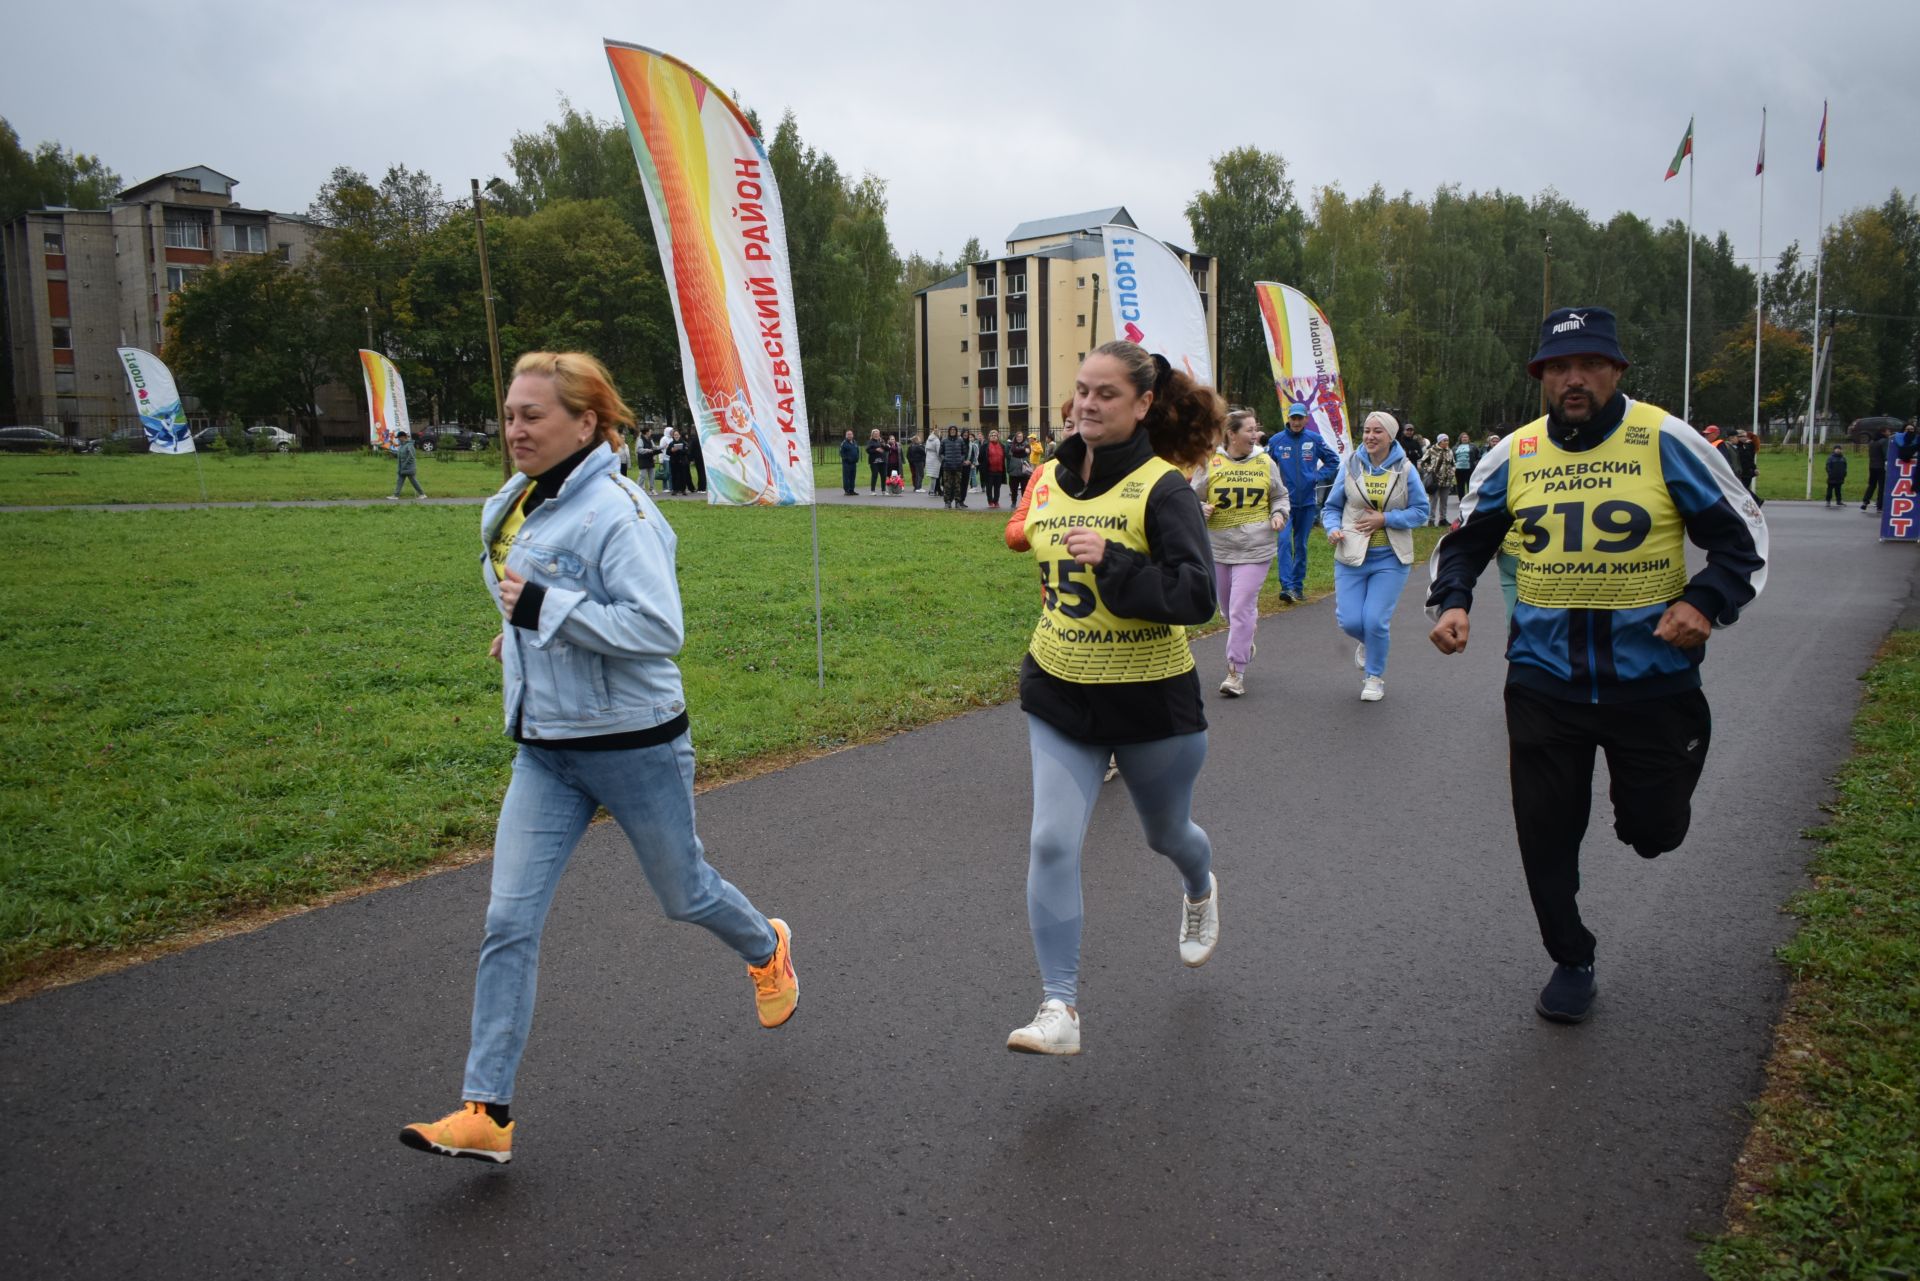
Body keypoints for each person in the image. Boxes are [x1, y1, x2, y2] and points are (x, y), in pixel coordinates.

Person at [400, 351, 797, 1165]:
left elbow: (659, 631)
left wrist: (547, 610)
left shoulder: (622, 513)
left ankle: (767, 946)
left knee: (684, 895)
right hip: (546, 751)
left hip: (633, 744)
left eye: (532, 415)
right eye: (509, 413)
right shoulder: (513, 502)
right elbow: (527, 602)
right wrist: (520, 636)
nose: (514, 428)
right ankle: (487, 1109)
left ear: (586, 423)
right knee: (507, 919)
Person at [1427, 306, 1768, 1025]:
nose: (1572, 379)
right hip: (1543, 682)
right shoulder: (1514, 454)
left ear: (1616, 370)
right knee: (1543, 829)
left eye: (1588, 365)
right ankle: (1571, 955)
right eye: (1558, 367)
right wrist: (1453, 600)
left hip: (1653, 682)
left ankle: (1645, 809)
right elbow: (1464, 539)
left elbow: (1743, 537)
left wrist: (1705, 600)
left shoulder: (1663, 439)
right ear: (1542, 377)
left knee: (1655, 830)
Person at [1003, 340, 1221, 1056]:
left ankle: (1198, 884)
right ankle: (1058, 1006)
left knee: (1166, 834)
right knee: (1051, 839)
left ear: (1143, 405)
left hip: (1151, 702)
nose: (1086, 405)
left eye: (1105, 394)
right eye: (1080, 391)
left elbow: (1196, 597)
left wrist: (1121, 564)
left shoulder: (1165, 489)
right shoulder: (1046, 477)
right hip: (1061, 689)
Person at [1323, 410, 1429, 702]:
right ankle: (1369, 644)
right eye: (1366, 430)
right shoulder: (1350, 465)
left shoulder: (1406, 469)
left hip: (1390, 559)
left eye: (1377, 431)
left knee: (1375, 621)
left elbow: (1421, 512)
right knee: (1350, 621)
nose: (1369, 436)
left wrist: (1386, 519)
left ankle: (1374, 677)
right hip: (1351, 554)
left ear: (1390, 435)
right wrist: (1332, 529)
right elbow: (1331, 507)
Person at [1192, 408, 1288, 697]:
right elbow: (1189, 497)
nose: (1255, 434)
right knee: (1228, 611)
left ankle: (1236, 672)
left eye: (1255, 429)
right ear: (1231, 434)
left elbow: (1279, 495)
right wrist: (1200, 508)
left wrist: (1279, 514)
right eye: (1248, 429)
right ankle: (1244, 638)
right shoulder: (1211, 462)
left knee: (1240, 608)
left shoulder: (1265, 462)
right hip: (1219, 547)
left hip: (1256, 547)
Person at [1266, 402, 1342, 604]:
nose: (1297, 422)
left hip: (1307, 503)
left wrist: (1316, 476)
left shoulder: (1314, 439)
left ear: (1306, 419)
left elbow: (1334, 461)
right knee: (1283, 543)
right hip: (1284, 504)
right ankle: (1287, 587)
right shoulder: (1276, 441)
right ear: (1288, 419)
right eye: (1294, 418)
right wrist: (1272, 487)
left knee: (1301, 545)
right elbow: (1264, 466)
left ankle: (1298, 587)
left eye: (1300, 418)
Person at [1422, 432, 1455, 526]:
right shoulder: (1431, 450)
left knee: (1444, 501)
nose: (1447, 442)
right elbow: (1423, 462)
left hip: (1447, 480)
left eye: (1447, 440)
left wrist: (1452, 471)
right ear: (1440, 441)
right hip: (1434, 480)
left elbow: (1453, 463)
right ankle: (1431, 520)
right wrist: (1430, 470)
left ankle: (1443, 519)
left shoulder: (1450, 451)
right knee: (1434, 500)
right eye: (1444, 440)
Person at [389, 429, 425, 499]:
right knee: (399, 481)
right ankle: (396, 495)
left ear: (403, 437)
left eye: (399, 438)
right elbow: (400, 454)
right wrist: (392, 451)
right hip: (402, 468)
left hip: (408, 468)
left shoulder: (409, 445)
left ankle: (422, 494)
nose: (398, 439)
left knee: (413, 481)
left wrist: (405, 465)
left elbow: (412, 456)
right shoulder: (402, 446)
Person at [939, 425, 969, 508]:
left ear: (956, 431)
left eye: (954, 430)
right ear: (949, 431)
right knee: (947, 486)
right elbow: (940, 453)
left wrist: (961, 459)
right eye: (951, 430)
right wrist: (944, 459)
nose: (952, 431)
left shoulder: (960, 441)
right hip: (947, 467)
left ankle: (957, 502)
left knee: (957, 486)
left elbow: (964, 453)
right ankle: (947, 502)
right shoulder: (944, 441)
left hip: (958, 467)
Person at [1861, 427, 1890, 511]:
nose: (1889, 433)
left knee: (1872, 485)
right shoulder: (1884, 441)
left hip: (1872, 466)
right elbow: (1886, 454)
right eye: (1888, 431)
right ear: (1883, 432)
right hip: (1881, 466)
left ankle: (1865, 501)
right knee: (1882, 486)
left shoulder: (1872, 442)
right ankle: (1880, 505)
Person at [980, 428, 1008, 508]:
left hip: (999, 471)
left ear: (998, 436)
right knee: (989, 488)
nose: (993, 436)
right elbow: (980, 458)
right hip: (989, 471)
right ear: (989, 437)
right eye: (991, 435)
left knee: (997, 488)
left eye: (995, 435)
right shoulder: (984, 446)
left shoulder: (1002, 446)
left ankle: (996, 501)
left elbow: (1005, 457)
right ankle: (990, 501)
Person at [1007, 430, 1032, 508]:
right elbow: (1014, 450)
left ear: (1023, 437)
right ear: (1016, 437)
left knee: (1024, 488)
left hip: (1024, 470)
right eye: (1018, 436)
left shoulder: (1027, 444)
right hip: (1014, 470)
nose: (1019, 438)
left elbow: (1028, 452)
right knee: (1014, 488)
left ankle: (1024, 503)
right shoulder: (1013, 444)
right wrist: (1023, 450)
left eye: (1020, 436)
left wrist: (1022, 452)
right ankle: (1013, 502)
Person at [665, 426, 692, 496]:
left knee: (683, 476)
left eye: (677, 435)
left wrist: (679, 450)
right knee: (674, 476)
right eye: (675, 435)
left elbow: (687, 452)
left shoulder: (684, 443)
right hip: (674, 462)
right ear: (673, 436)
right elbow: (667, 452)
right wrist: (672, 450)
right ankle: (675, 490)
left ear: (679, 435)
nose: (676, 436)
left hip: (682, 462)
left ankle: (683, 490)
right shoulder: (671, 444)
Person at [1453, 433, 1478, 507]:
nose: (1465, 438)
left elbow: (1477, 456)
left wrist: (1475, 463)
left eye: (1466, 437)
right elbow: (1452, 457)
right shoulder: (1455, 447)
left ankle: (1471, 499)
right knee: (1460, 485)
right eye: (1463, 437)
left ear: (1468, 438)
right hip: (1458, 469)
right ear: (1460, 439)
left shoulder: (1473, 446)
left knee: (1470, 484)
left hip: (1470, 468)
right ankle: (1461, 499)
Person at [635, 428, 660, 496]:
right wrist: (648, 450)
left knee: (652, 475)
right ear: (646, 432)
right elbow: (639, 449)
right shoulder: (640, 440)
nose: (651, 433)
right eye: (650, 431)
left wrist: (660, 447)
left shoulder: (650, 440)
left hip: (650, 460)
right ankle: (637, 489)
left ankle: (652, 489)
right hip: (643, 460)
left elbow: (654, 447)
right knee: (642, 476)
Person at [838, 429, 860, 496]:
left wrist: (857, 458)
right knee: (846, 477)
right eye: (848, 434)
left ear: (853, 435)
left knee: (852, 477)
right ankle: (847, 491)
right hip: (846, 464)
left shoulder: (855, 442)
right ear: (846, 435)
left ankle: (852, 490)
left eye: (851, 434)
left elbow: (857, 451)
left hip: (854, 463)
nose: (850, 435)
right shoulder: (844, 443)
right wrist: (848, 459)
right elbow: (841, 453)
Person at [865, 429, 886, 494]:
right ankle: (873, 491)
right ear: (872, 434)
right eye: (875, 433)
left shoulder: (881, 441)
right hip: (874, 462)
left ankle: (883, 490)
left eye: (878, 433)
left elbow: (886, 448)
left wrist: (884, 446)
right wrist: (876, 450)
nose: (876, 435)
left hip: (882, 461)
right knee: (875, 475)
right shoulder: (870, 442)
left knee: (884, 475)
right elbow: (868, 450)